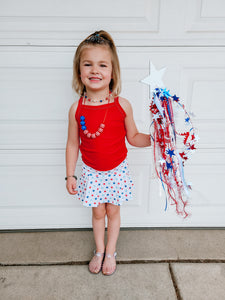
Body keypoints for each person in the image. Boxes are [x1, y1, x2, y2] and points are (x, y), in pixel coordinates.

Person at [65, 30, 151, 276]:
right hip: (92, 172)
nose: (95, 71)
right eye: (88, 65)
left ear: (112, 73)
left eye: (102, 65)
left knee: (113, 211)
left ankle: (111, 251)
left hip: (116, 171)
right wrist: (70, 175)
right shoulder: (76, 109)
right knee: (97, 212)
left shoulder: (122, 105)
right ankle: (99, 250)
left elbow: (134, 137)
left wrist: (156, 139)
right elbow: (72, 144)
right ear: (79, 72)